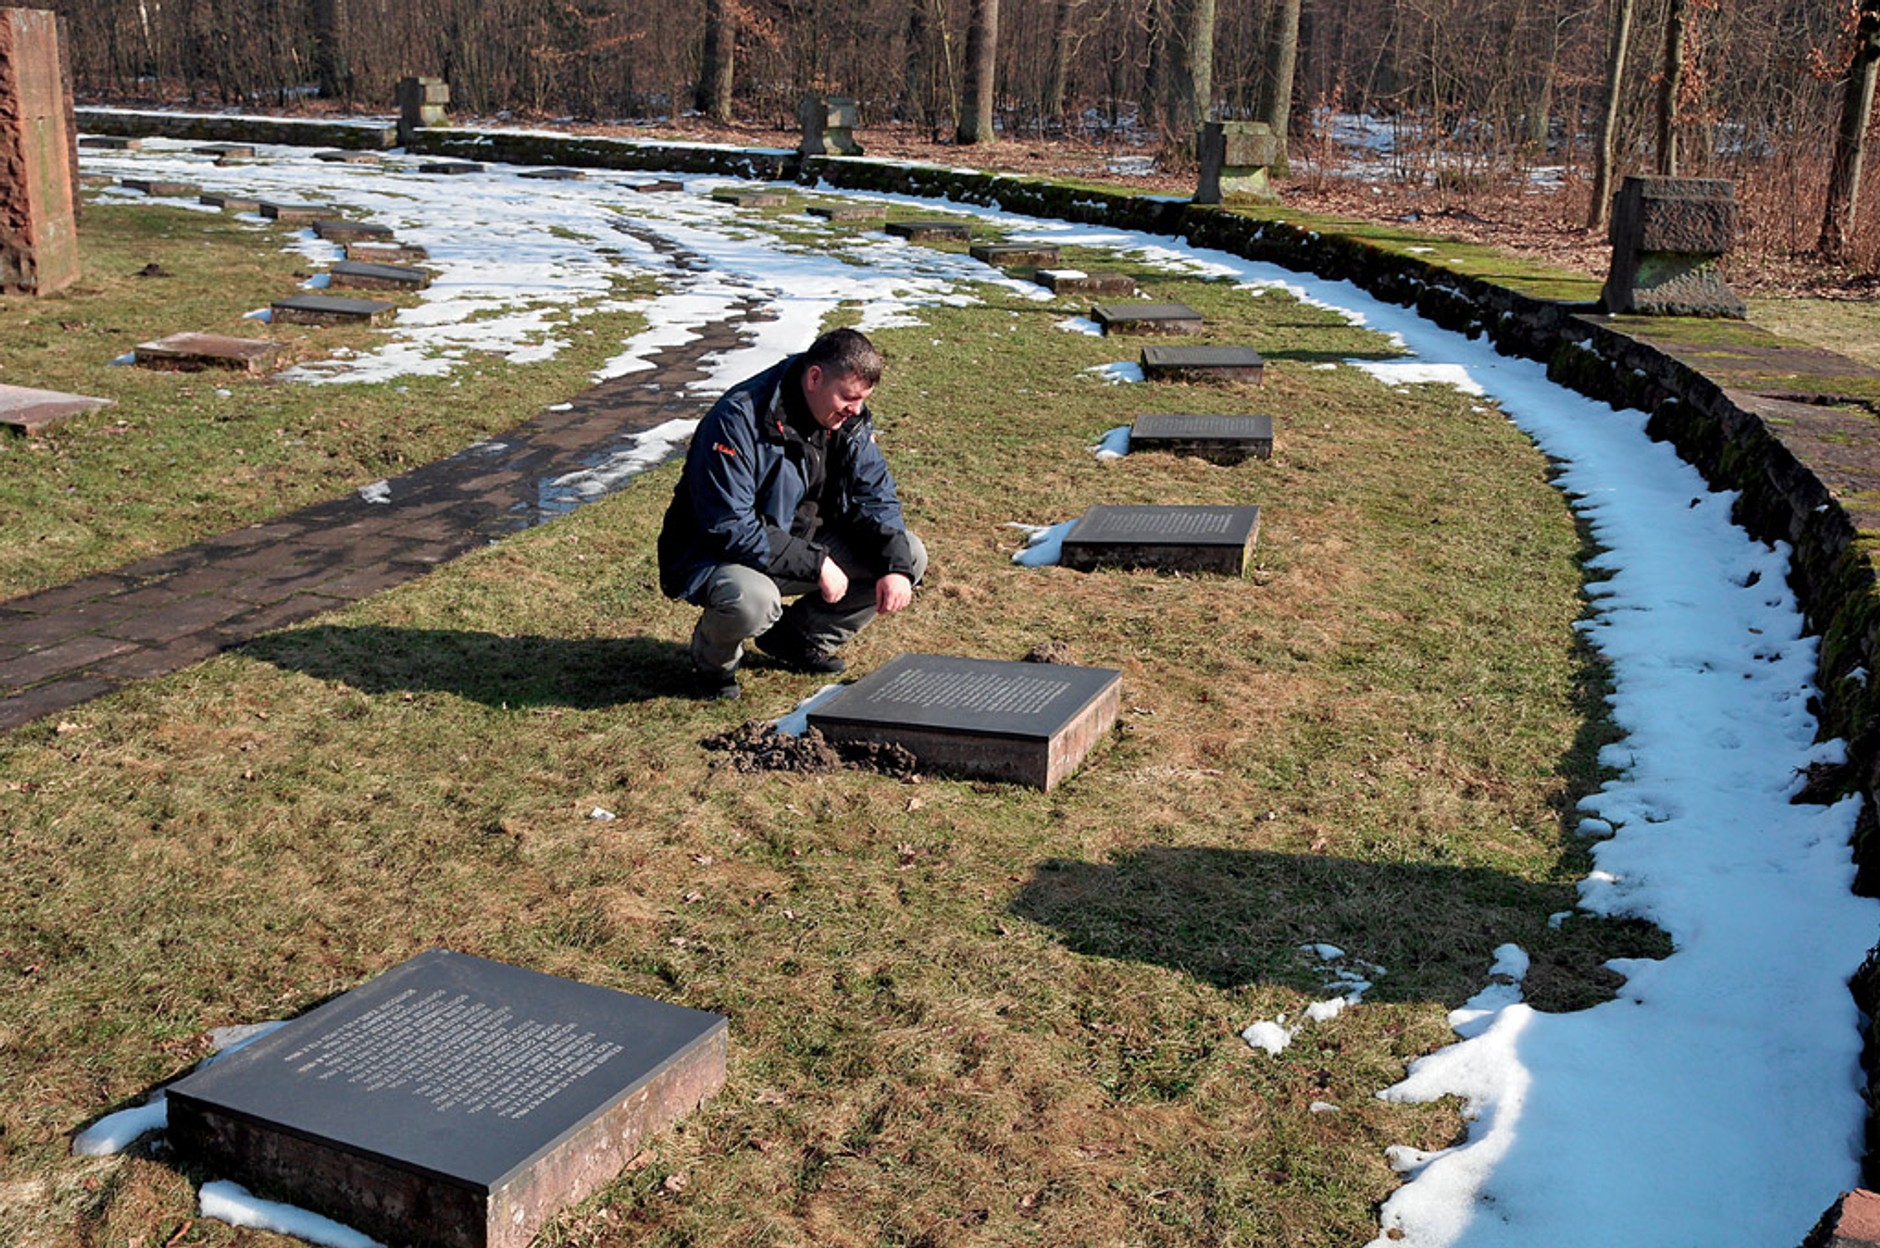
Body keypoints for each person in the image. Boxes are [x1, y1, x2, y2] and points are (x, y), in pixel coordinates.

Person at [658, 327, 927, 700]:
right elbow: (729, 527)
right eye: (849, 398)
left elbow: (875, 495)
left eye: (863, 400)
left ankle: (795, 640)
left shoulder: (846, 420)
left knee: (908, 554)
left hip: (799, 542)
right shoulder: (736, 420)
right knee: (753, 601)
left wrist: (896, 567)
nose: (856, 410)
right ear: (814, 377)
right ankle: (712, 664)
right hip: (719, 554)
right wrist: (817, 564)